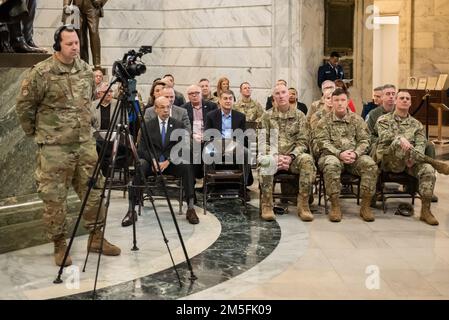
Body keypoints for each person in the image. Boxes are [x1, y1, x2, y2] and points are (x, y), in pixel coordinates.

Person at [15, 24, 120, 266]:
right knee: (55, 199)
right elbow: (24, 106)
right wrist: (37, 132)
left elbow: (89, 99)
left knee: (94, 192)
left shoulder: (84, 69)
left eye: (77, 43)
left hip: (84, 145)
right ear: (58, 45)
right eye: (70, 44)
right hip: (55, 149)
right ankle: (60, 245)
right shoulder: (41, 72)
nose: (75, 47)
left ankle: (96, 238)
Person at [375, 91, 449, 226]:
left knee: (428, 169)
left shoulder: (417, 125)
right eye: (401, 98)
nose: (404, 100)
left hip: (411, 162)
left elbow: (421, 144)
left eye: (407, 99)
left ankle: (425, 211)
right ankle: (435, 162)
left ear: (410, 103)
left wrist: (413, 159)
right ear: (396, 101)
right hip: (390, 161)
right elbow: (384, 137)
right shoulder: (384, 120)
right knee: (398, 143)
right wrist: (400, 138)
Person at [122, 96, 199, 226]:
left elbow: (182, 147)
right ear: (156, 109)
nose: (165, 110)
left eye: (168, 107)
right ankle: (131, 210)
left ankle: (190, 208)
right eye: (162, 107)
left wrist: (168, 160)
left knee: (187, 166)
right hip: (152, 162)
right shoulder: (147, 126)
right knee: (140, 165)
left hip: (171, 162)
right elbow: (142, 149)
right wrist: (153, 160)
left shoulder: (178, 125)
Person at [315, 88, 378, 222]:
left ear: (348, 101)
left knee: (370, 165)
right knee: (331, 165)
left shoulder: (357, 120)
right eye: (336, 100)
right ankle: (335, 205)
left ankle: (365, 206)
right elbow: (322, 142)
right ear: (331, 102)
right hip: (331, 156)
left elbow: (365, 140)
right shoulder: (324, 121)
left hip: (354, 156)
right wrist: (339, 154)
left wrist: (355, 153)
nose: (339, 103)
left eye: (343, 100)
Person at [258, 83, 316, 222]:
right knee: (266, 161)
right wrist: (275, 156)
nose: (281, 96)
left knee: (307, 160)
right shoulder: (266, 116)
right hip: (274, 157)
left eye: (283, 92)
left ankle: (303, 205)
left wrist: (290, 156)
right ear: (274, 98)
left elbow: (303, 141)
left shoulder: (299, 116)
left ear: (289, 95)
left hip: (294, 158)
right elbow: (262, 141)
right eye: (277, 94)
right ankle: (267, 205)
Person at [181, 84, 217, 179]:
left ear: (201, 94)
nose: (194, 95)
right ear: (187, 96)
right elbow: (183, 126)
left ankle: (209, 179)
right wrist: (192, 135)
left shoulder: (211, 106)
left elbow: (215, 124)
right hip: (192, 136)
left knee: (210, 147)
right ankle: (192, 178)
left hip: (208, 136)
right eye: (191, 93)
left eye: (196, 93)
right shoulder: (183, 108)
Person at [63, 0, 108, 69]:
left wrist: (100, 1)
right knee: (80, 33)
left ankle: (97, 63)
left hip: (92, 5)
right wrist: (66, 4)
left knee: (94, 32)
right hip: (77, 6)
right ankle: (84, 62)